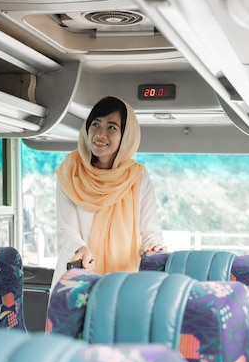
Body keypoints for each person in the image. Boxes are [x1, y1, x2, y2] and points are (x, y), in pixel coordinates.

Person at [51, 96, 165, 290]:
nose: (100, 133)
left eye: (112, 127)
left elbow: (149, 231)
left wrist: (155, 247)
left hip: (122, 282)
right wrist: (80, 248)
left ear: (125, 136)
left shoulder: (138, 178)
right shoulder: (70, 172)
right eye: (95, 124)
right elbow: (66, 229)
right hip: (77, 277)